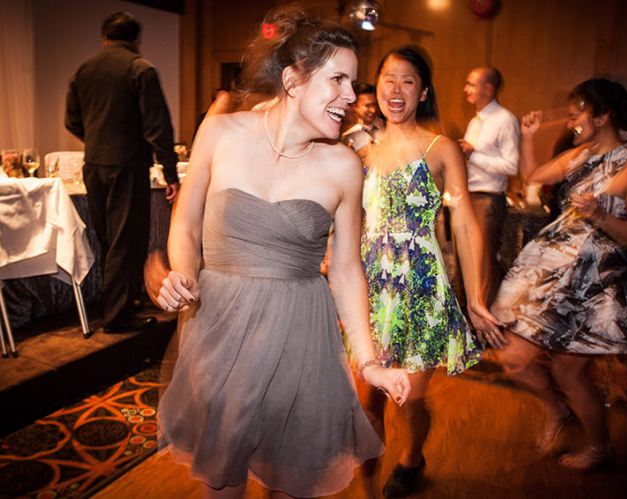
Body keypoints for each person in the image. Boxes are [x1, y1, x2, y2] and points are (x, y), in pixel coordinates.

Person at [152, 7, 410, 499]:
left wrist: (368, 361)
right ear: (293, 80)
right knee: (222, 476)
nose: (351, 96)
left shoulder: (343, 166)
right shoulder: (221, 133)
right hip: (221, 329)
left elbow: (347, 270)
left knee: (292, 477)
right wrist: (182, 275)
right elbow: (185, 222)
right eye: (338, 79)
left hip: (300, 336)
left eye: (353, 83)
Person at [487, 78, 627, 470]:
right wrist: (528, 137)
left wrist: (600, 216)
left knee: (568, 373)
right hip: (551, 271)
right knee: (513, 357)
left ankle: (600, 447)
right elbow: (534, 176)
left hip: (594, 282)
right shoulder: (579, 156)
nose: (571, 120)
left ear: (603, 115)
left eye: (578, 112)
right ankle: (556, 410)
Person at [358, 46, 501, 498]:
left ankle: (411, 458)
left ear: (422, 93)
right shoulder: (363, 152)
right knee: (366, 402)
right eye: (389, 78)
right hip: (370, 289)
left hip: (420, 288)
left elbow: (466, 224)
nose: (396, 89)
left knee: (408, 400)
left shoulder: (441, 149)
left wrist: (475, 297)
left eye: (408, 80)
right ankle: (366, 488)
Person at [65, 11, 179, 332]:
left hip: (94, 166)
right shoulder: (140, 69)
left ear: (105, 37)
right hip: (128, 165)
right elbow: (158, 127)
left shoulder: (84, 70)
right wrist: (170, 173)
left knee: (108, 239)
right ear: (136, 39)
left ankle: (120, 303)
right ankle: (117, 316)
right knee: (125, 240)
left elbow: (71, 120)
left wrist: (98, 140)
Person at [458, 66, 519, 304]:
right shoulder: (476, 121)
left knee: (483, 263)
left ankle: (487, 315)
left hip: (488, 199)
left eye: (471, 84)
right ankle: (470, 312)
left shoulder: (505, 120)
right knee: (469, 261)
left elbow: (511, 166)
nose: (466, 89)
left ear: (488, 88)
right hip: (469, 195)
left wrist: (473, 154)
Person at [341, 82, 383, 155]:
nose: (373, 110)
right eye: (367, 106)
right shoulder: (349, 136)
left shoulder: (389, 127)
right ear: (355, 106)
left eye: (375, 105)